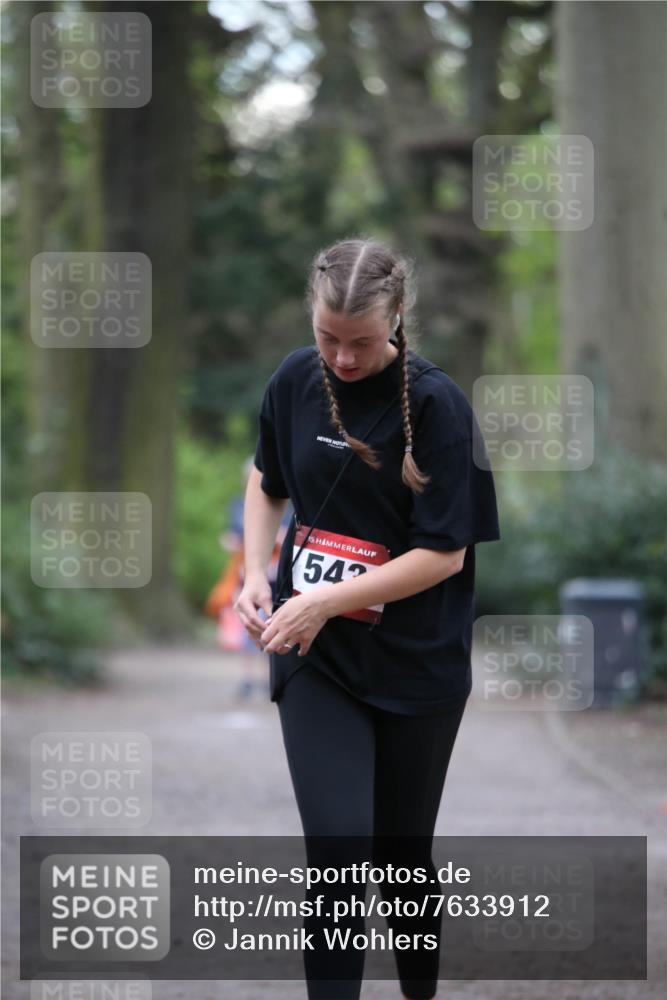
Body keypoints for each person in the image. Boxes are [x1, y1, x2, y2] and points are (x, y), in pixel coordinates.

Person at [235, 238, 500, 1000]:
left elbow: (444, 555)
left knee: (401, 856)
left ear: (397, 317)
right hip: (317, 657)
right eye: (327, 338)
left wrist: (322, 596)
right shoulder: (295, 378)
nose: (342, 359)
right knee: (339, 850)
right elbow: (265, 480)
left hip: (416, 662)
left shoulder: (440, 406)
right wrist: (259, 573)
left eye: (360, 341)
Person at [220, 456, 293, 699]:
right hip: (246, 575)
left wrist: (276, 537)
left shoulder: (283, 504)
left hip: (274, 577)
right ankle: (248, 679)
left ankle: (267, 677)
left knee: (271, 625)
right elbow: (232, 536)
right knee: (247, 628)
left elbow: (287, 537)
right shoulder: (237, 505)